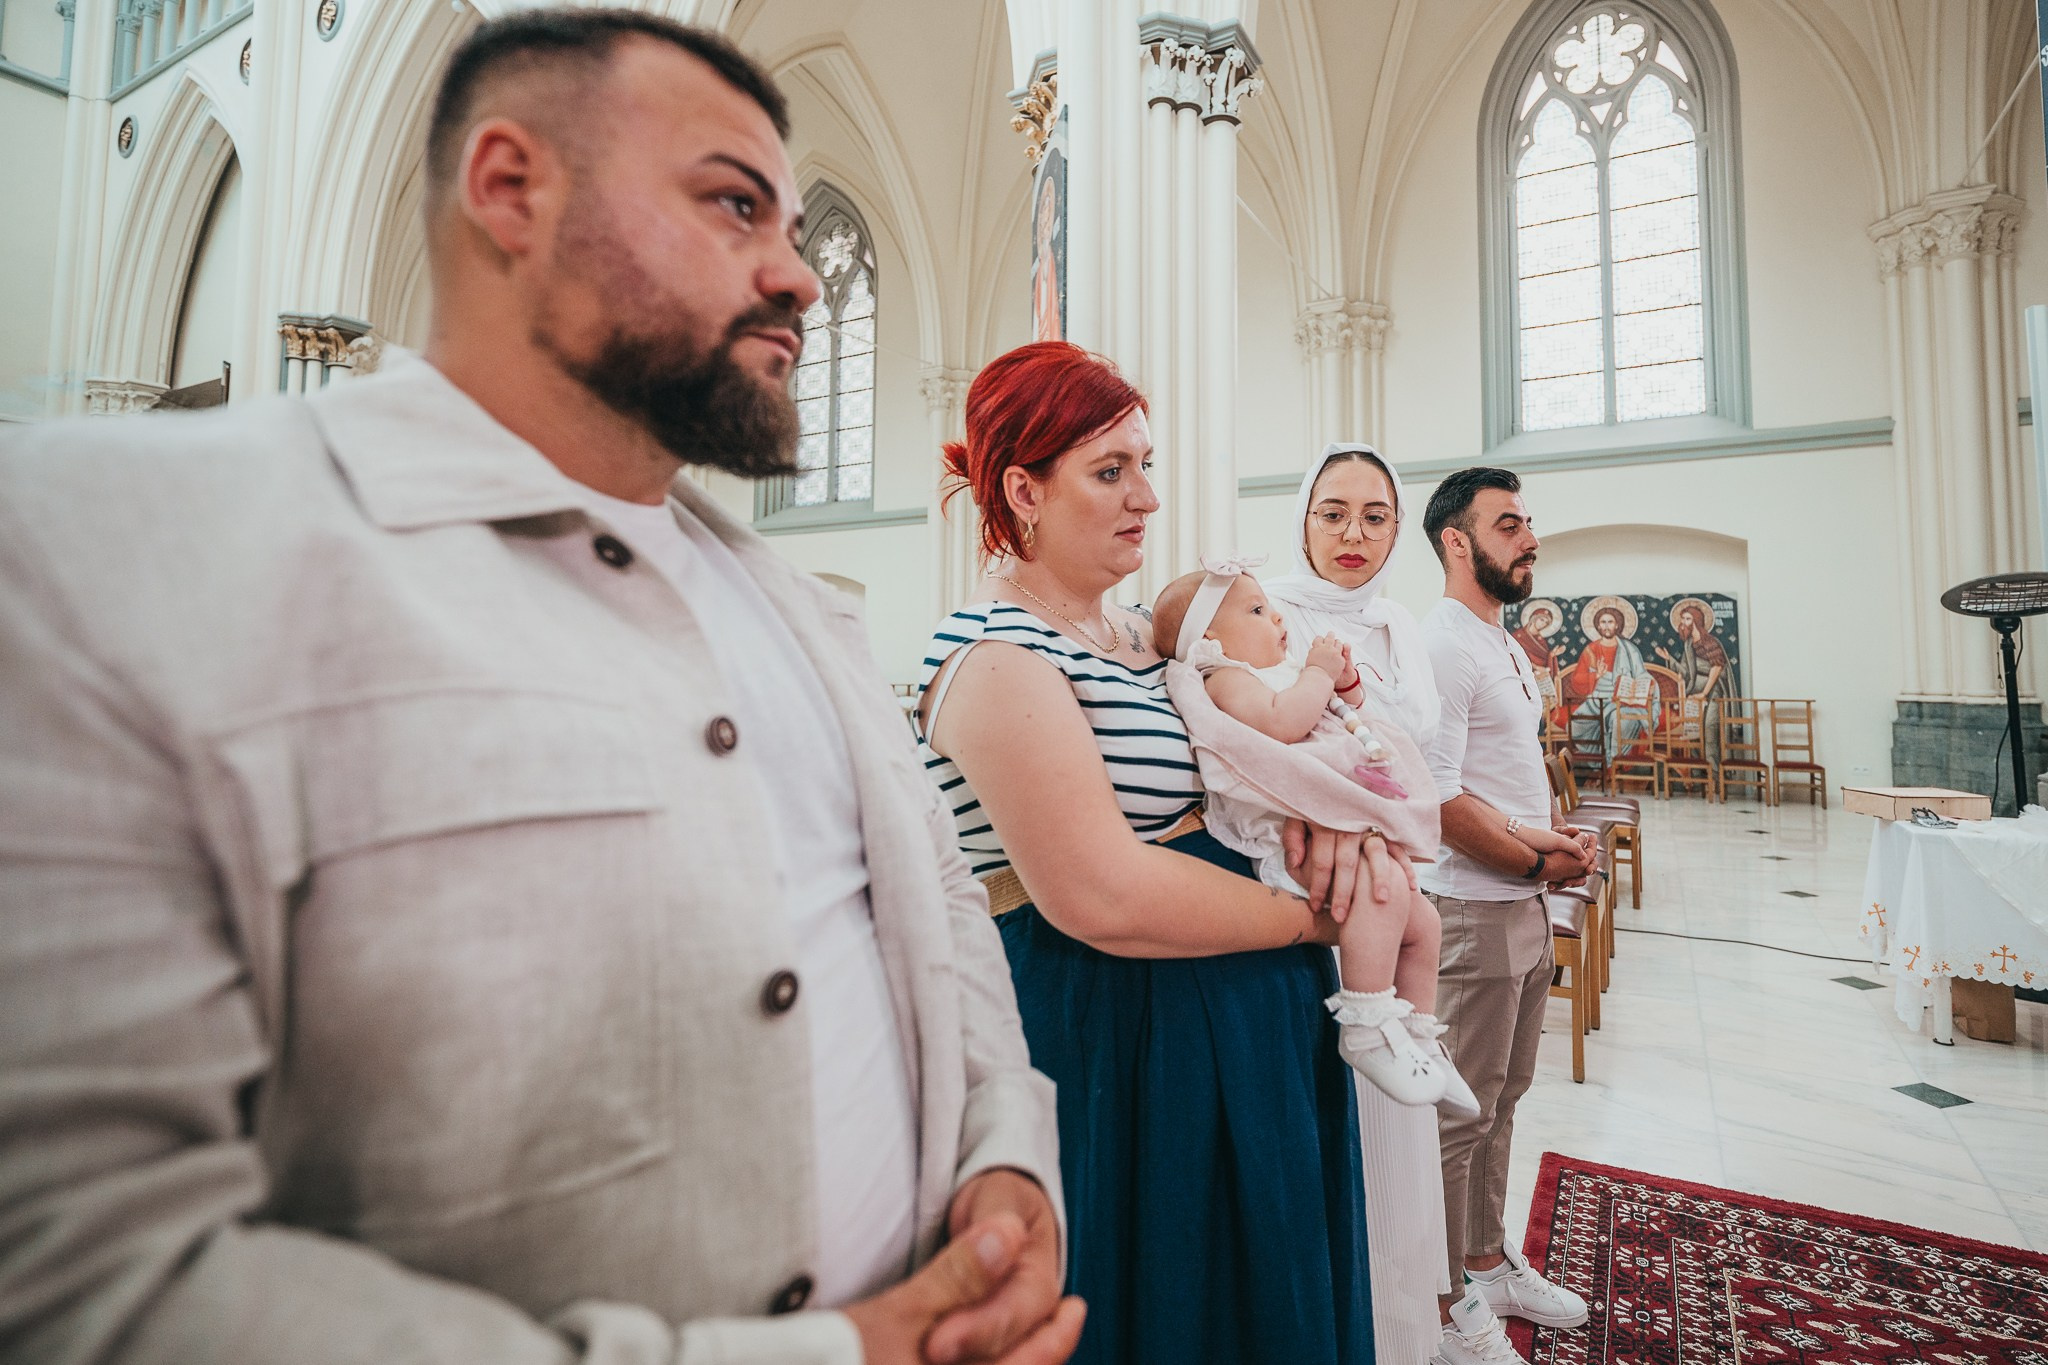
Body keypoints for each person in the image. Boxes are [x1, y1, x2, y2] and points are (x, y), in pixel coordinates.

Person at [0, 13, 1080, 1365]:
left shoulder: (804, 616)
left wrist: (1009, 1175)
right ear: (514, 191)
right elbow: (85, 1274)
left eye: (799, 231)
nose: (798, 278)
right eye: (736, 204)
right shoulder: (114, 546)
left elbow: (948, 950)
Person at [916, 341, 1379, 1365]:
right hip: (1113, 1026)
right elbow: (1097, 894)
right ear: (1021, 490)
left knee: (1267, 1291)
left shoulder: (1142, 634)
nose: (1147, 499)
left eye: (1146, 465)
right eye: (1110, 471)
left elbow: (1256, 754)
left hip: (1245, 1008)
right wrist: (1317, 917)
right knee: (1166, 1299)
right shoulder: (992, 653)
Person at [1152, 559, 1573, 1112]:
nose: (1275, 617)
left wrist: (1344, 683)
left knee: (1421, 919)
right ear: (1208, 638)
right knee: (1381, 895)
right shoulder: (1224, 678)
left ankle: (1421, 1037)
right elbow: (1282, 724)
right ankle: (1367, 1023)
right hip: (1283, 837)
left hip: (1338, 824)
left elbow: (1343, 716)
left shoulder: (1274, 674)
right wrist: (1318, 674)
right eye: (1257, 611)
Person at [1260, 443, 1453, 1365]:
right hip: (1314, 882)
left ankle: (1406, 1328)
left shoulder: (1399, 625)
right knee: (1331, 1130)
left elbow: (1420, 749)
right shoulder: (1270, 612)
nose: (1352, 533)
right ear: (1302, 517)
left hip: (1398, 860)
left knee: (1399, 1134)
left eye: (1375, 516)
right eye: (1332, 511)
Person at [1416, 467, 1598, 1365]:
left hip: (1519, 900)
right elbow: (1439, 796)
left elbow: (1497, 780)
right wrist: (1534, 855)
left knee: (1506, 1095)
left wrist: (1547, 839)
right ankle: (1445, 1300)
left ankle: (1487, 1259)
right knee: (1458, 1114)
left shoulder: (1502, 643)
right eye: (1509, 524)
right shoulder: (1443, 643)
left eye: (1528, 522)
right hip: (1468, 911)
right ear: (1459, 541)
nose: (1529, 538)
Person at [1560, 602, 1651, 761]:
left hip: (1621, 701)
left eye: (1610, 622)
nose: (1606, 626)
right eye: (1603, 622)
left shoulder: (1630, 650)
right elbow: (1576, 680)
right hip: (1596, 700)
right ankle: (1598, 763)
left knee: (1619, 722)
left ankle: (1613, 766)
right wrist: (1595, 676)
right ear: (1597, 626)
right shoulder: (1590, 650)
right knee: (1573, 727)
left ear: (1617, 625)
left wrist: (1643, 687)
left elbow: (1642, 675)